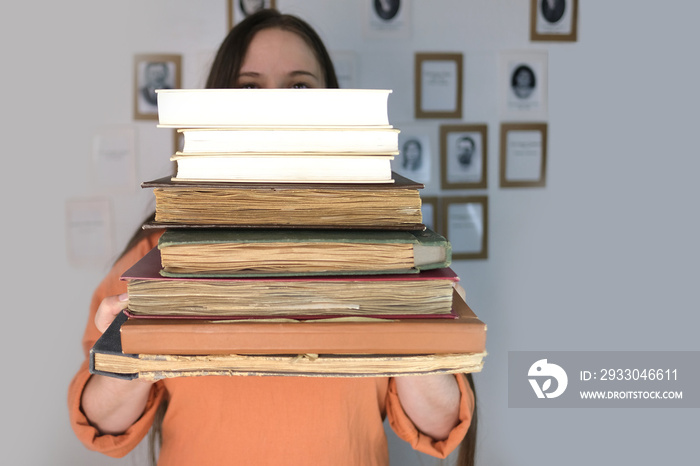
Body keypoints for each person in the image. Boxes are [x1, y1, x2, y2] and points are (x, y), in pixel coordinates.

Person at [68, 9, 477, 466]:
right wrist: (134, 352)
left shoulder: (392, 252)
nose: (277, 105)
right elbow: (102, 426)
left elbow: (440, 427)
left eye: (300, 86)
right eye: (249, 87)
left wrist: (421, 321)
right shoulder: (155, 258)